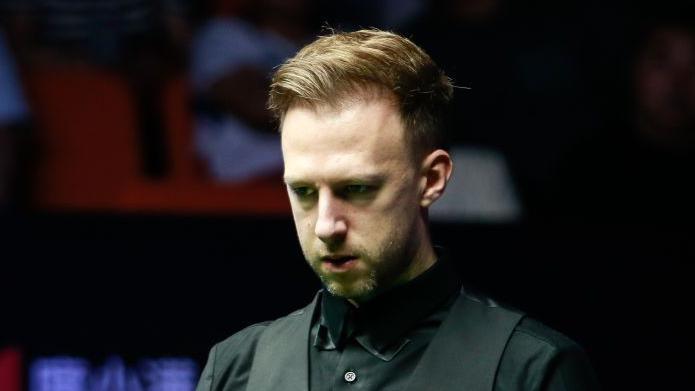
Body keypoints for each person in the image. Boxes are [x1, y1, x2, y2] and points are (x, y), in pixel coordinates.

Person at [196, 29, 600, 391]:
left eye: (357, 189)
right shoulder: (236, 368)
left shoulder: (531, 370)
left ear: (432, 179)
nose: (325, 225)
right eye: (303, 191)